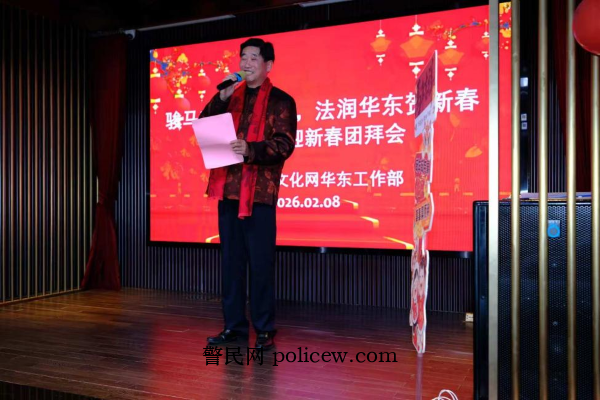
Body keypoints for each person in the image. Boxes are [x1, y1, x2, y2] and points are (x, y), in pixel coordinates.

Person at [199, 38, 297, 351]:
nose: (246, 63)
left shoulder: (281, 101)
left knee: (261, 264)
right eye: (243, 57)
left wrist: (250, 149)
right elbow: (204, 125)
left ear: (268, 65)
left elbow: (284, 144)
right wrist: (220, 98)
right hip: (229, 191)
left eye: (254, 57)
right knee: (231, 263)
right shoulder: (230, 95)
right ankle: (234, 326)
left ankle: (264, 328)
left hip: (259, 196)